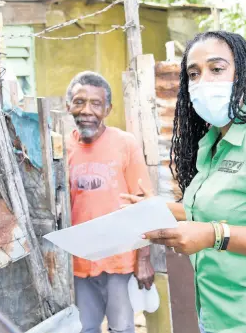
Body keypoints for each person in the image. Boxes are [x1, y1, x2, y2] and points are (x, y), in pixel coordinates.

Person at [121, 31, 246, 333]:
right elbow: (216, 209)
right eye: (194, 73)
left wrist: (214, 236)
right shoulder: (213, 140)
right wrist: (161, 207)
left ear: (243, 73)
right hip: (219, 316)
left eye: (217, 69)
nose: (204, 82)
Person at [66, 71, 154, 333]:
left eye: (96, 103)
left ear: (108, 109)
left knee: (122, 326)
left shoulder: (124, 144)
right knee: (84, 328)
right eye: (79, 102)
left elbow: (144, 203)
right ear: (67, 105)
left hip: (120, 259)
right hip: (78, 261)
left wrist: (144, 258)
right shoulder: (59, 147)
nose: (87, 110)